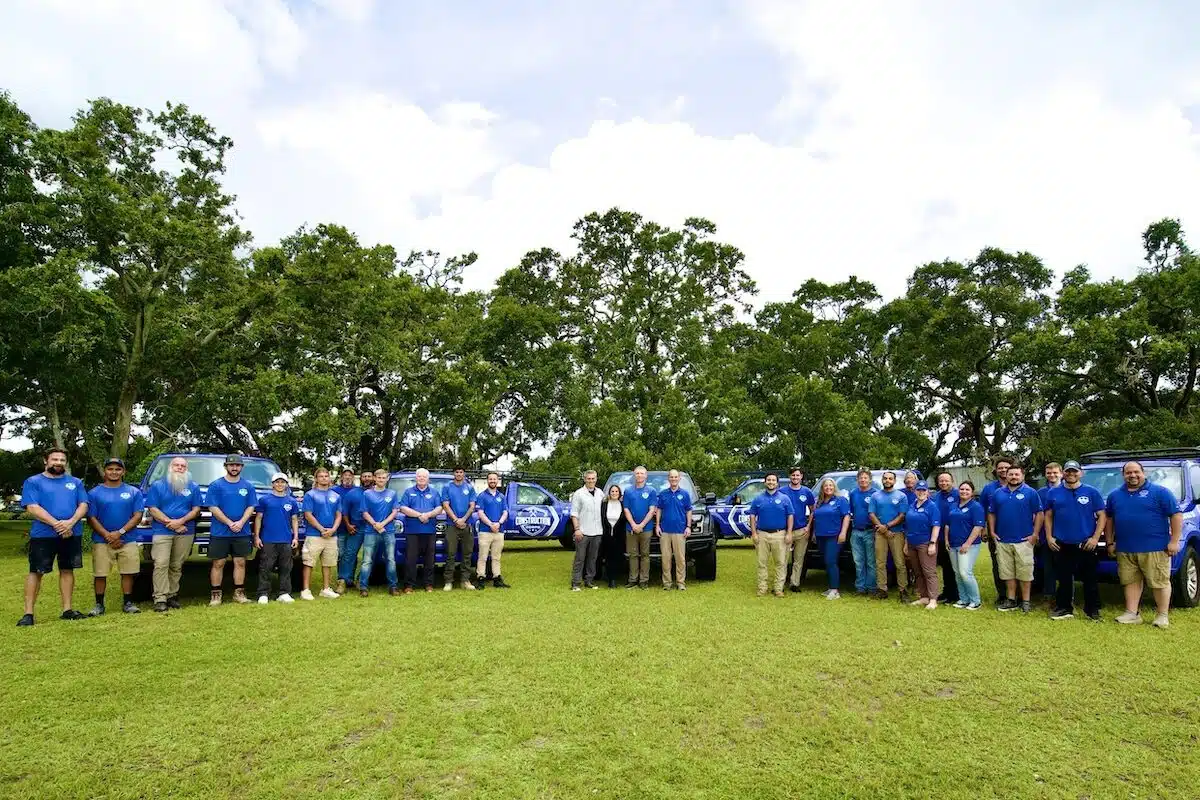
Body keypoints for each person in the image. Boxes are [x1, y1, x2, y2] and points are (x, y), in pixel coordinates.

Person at [1105, 460, 1182, 628]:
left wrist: (1174, 541)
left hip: (1155, 547)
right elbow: (1109, 519)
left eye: (1136, 472)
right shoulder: (1114, 495)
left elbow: (1175, 515)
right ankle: (1132, 613)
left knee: (1159, 582)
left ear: (1143, 472)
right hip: (1125, 548)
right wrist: (1110, 542)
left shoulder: (1160, 492)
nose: (1132, 475)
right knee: (1130, 581)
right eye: (1128, 473)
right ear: (1123, 475)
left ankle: (1162, 615)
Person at [17, 448, 89, 627]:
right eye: (55, 459)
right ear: (46, 461)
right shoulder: (33, 482)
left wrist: (70, 523)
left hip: (71, 533)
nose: (58, 463)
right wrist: (58, 525)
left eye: (62, 460)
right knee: (36, 571)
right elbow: (32, 507)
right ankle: (28, 614)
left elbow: (83, 505)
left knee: (67, 570)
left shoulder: (75, 482)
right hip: (43, 535)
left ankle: (67, 609)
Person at [1044, 460, 1105, 621]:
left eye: (1074, 471)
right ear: (1063, 473)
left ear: (1081, 473)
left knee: (1090, 579)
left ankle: (1092, 610)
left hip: (1086, 543)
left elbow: (1102, 516)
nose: (1071, 474)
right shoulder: (1053, 493)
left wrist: (1095, 538)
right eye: (1068, 471)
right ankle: (1064, 608)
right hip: (1062, 543)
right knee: (1064, 579)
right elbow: (1048, 516)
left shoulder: (1091, 492)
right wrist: (1049, 537)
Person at [85, 457, 145, 616]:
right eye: (110, 469)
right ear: (105, 471)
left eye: (118, 469)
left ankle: (128, 603)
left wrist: (120, 533)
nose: (114, 472)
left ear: (123, 471)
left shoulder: (133, 491)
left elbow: (138, 515)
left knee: (128, 572)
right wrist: (107, 535)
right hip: (101, 541)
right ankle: (99, 605)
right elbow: (91, 518)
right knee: (100, 573)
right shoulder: (94, 493)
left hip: (128, 539)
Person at [146, 456, 202, 613]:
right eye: (176, 465)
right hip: (162, 531)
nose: (180, 468)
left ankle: (172, 595)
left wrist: (181, 521)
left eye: (183, 466)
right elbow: (152, 508)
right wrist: (171, 523)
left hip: (186, 531)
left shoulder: (193, 487)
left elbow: (196, 509)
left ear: (187, 469)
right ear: (170, 467)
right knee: (161, 564)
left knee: (177, 565)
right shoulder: (158, 485)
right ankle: (160, 598)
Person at [987, 464, 1043, 613]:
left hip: (1024, 541)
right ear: (1006, 475)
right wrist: (992, 531)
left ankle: (1025, 601)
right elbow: (991, 513)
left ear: (1022, 476)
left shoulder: (1030, 492)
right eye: (1010, 474)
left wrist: (1035, 534)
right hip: (1003, 540)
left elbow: (1039, 513)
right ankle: (1011, 600)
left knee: (1025, 573)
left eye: (1016, 474)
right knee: (1007, 572)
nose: (1013, 477)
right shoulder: (998, 493)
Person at [205, 454, 258, 606]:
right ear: (226, 466)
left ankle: (239, 594)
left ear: (242, 467)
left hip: (242, 531)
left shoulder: (248, 486)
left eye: (237, 465)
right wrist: (229, 523)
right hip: (220, 531)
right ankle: (216, 595)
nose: (234, 468)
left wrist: (241, 522)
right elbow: (212, 507)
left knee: (240, 562)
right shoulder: (216, 485)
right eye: (231, 465)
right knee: (218, 563)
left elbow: (251, 506)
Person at [253, 472, 300, 603]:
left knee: (286, 567)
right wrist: (257, 536)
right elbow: (258, 518)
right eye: (277, 482)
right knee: (265, 567)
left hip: (285, 539)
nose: (280, 484)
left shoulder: (291, 501)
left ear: (286, 484)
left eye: (282, 482)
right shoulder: (264, 500)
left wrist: (295, 537)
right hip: (268, 539)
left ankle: (284, 593)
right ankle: (263, 593)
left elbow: (294, 519)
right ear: (272, 484)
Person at [749, 473, 794, 597]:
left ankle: (778, 589)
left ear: (777, 483)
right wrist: (754, 533)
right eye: (768, 480)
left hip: (779, 534)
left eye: (773, 480)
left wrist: (789, 533)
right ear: (765, 482)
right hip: (762, 534)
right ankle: (762, 588)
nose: (771, 482)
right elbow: (752, 516)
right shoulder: (758, 499)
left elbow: (790, 515)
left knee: (780, 563)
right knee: (762, 563)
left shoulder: (784, 498)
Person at [301, 467, 342, 600]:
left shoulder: (336, 496)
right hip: (314, 534)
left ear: (329, 478)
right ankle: (306, 590)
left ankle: (325, 589)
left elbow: (339, 515)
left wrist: (333, 529)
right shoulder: (310, 495)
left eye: (326, 476)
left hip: (331, 535)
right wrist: (321, 529)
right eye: (321, 476)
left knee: (328, 563)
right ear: (316, 479)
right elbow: (308, 514)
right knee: (309, 562)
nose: (324, 478)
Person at [868, 471, 909, 602]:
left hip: (896, 533)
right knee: (880, 562)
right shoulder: (875, 496)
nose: (887, 480)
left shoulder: (901, 496)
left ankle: (903, 590)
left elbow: (902, 515)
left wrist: (887, 526)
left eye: (890, 478)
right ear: (882, 480)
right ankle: (882, 590)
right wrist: (883, 529)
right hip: (880, 533)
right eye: (885, 478)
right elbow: (871, 514)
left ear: (894, 481)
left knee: (900, 563)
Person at [360, 468, 400, 597]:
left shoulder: (392, 493)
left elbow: (394, 511)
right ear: (375, 479)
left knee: (391, 559)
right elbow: (364, 512)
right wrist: (375, 524)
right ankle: (363, 587)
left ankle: (393, 586)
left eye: (384, 478)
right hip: (370, 531)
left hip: (388, 531)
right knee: (367, 560)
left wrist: (382, 524)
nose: (381, 480)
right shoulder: (367, 494)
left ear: (387, 479)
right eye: (379, 478)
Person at [807, 478, 850, 599]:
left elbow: (846, 517)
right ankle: (830, 587)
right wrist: (814, 533)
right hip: (821, 536)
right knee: (826, 561)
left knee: (831, 561)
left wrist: (843, 533)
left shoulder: (841, 500)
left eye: (831, 485)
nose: (828, 488)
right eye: (826, 486)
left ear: (834, 487)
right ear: (822, 488)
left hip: (834, 535)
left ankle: (835, 590)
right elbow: (816, 518)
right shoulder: (819, 502)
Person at [945, 481, 985, 610]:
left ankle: (975, 600)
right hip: (953, 544)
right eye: (962, 489)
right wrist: (946, 540)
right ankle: (963, 599)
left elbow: (978, 526)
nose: (964, 491)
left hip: (969, 545)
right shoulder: (953, 505)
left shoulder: (976, 507)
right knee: (957, 573)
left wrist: (967, 543)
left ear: (972, 492)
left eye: (967, 489)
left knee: (965, 572)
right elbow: (947, 524)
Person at [399, 468, 440, 593]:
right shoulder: (408, 492)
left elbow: (439, 507)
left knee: (430, 559)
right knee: (411, 559)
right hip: (412, 531)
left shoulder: (434, 492)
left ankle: (428, 584)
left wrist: (428, 515)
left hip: (430, 530)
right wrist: (419, 515)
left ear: (428, 479)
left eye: (424, 477)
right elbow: (403, 507)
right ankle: (409, 585)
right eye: (419, 476)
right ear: (416, 478)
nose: (421, 478)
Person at [980, 457, 1013, 606]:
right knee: (997, 564)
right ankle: (1002, 595)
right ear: (996, 470)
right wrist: (984, 529)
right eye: (1000, 468)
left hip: (1015, 533)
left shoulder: (1020, 486)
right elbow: (982, 510)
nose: (1004, 470)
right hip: (995, 533)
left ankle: (1015, 596)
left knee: (1015, 564)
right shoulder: (989, 489)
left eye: (1007, 467)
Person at [903, 480, 941, 609]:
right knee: (917, 571)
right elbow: (908, 526)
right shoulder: (912, 505)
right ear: (915, 491)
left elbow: (936, 526)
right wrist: (906, 544)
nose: (921, 492)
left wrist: (932, 543)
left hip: (925, 543)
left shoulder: (932, 506)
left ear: (927, 492)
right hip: (912, 543)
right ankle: (923, 597)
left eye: (923, 490)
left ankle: (933, 599)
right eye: (918, 490)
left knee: (929, 572)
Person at [441, 467, 478, 591]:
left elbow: (472, 506)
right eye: (457, 472)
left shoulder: (469, 487)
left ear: (464, 474)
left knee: (467, 554)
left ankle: (465, 581)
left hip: (467, 525)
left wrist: (463, 520)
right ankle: (448, 581)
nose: (459, 474)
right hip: (452, 525)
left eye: (461, 472)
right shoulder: (447, 487)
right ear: (454, 474)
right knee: (450, 554)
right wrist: (456, 520)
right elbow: (445, 506)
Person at [656, 469, 693, 591]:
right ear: (668, 479)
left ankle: (680, 583)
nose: (673, 479)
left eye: (675, 477)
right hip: (665, 531)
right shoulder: (663, 494)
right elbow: (659, 510)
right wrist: (657, 525)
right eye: (671, 477)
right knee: (666, 559)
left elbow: (689, 510)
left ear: (679, 479)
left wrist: (688, 526)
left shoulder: (685, 494)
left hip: (680, 531)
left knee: (680, 559)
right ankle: (667, 583)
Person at [781, 467, 816, 592]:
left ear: (801, 477)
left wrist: (808, 526)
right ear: (790, 477)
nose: (795, 477)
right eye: (793, 475)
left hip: (801, 530)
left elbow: (813, 510)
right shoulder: (782, 491)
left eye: (798, 475)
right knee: (782, 559)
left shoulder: (807, 492)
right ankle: (780, 584)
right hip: (785, 531)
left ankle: (794, 583)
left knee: (798, 559)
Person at [622, 466, 657, 589]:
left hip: (646, 529)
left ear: (646, 475)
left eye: (642, 473)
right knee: (632, 555)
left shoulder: (652, 491)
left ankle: (643, 581)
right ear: (634, 475)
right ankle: (633, 580)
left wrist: (641, 525)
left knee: (645, 555)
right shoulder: (628, 491)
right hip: (630, 528)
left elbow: (652, 510)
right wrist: (633, 525)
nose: (639, 475)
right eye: (637, 473)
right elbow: (626, 509)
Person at [333, 468, 367, 594]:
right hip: (347, 528)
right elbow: (344, 511)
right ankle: (342, 579)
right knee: (346, 554)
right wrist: (347, 524)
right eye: (345, 475)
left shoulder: (374, 492)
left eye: (350, 475)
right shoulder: (346, 492)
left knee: (367, 557)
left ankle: (356, 580)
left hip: (369, 528)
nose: (347, 477)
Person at [474, 472, 511, 589]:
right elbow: (480, 513)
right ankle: (480, 578)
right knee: (482, 556)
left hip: (499, 531)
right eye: (490, 479)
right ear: (487, 481)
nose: (492, 481)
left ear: (497, 481)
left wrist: (499, 523)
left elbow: (505, 512)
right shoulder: (481, 496)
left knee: (496, 557)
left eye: (494, 479)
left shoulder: (501, 496)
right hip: (485, 530)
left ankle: (497, 578)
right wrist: (490, 524)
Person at [569, 470, 604, 590]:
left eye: (593, 478)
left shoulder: (600, 493)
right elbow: (574, 513)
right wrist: (577, 529)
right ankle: (576, 583)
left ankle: (589, 580)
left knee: (593, 559)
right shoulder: (578, 494)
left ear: (596, 479)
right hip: (583, 532)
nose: (591, 481)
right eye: (589, 478)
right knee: (580, 558)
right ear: (585, 479)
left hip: (597, 531)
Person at [847, 469, 877, 596]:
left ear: (870, 479)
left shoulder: (875, 494)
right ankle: (860, 587)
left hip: (870, 531)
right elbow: (851, 511)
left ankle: (871, 587)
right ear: (857, 480)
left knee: (871, 561)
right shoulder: (853, 493)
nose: (863, 480)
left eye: (865, 478)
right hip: (856, 532)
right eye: (861, 478)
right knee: (858, 561)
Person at [1036, 462, 1063, 604]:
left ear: (1061, 473)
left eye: (1055, 473)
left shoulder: (1067, 490)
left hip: (1065, 536)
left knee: (1065, 568)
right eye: (1049, 473)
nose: (1052, 475)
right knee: (1048, 568)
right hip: (1046, 537)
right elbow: (1037, 515)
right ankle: (1049, 596)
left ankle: (1064, 597)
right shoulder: (1040, 493)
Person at [932, 471, 959, 605]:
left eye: (946, 480)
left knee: (956, 567)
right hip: (940, 537)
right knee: (945, 566)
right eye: (941, 481)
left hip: (956, 537)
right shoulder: (935, 497)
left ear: (952, 481)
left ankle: (956, 593)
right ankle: (947, 591)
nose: (943, 483)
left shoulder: (959, 494)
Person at [600, 484, 628, 588]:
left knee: (618, 557)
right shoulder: (604, 504)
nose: (614, 493)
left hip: (619, 535)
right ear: (609, 493)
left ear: (619, 493)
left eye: (616, 491)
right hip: (607, 535)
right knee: (608, 557)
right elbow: (602, 518)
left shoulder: (623, 504)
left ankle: (616, 577)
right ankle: (610, 580)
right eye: (612, 491)